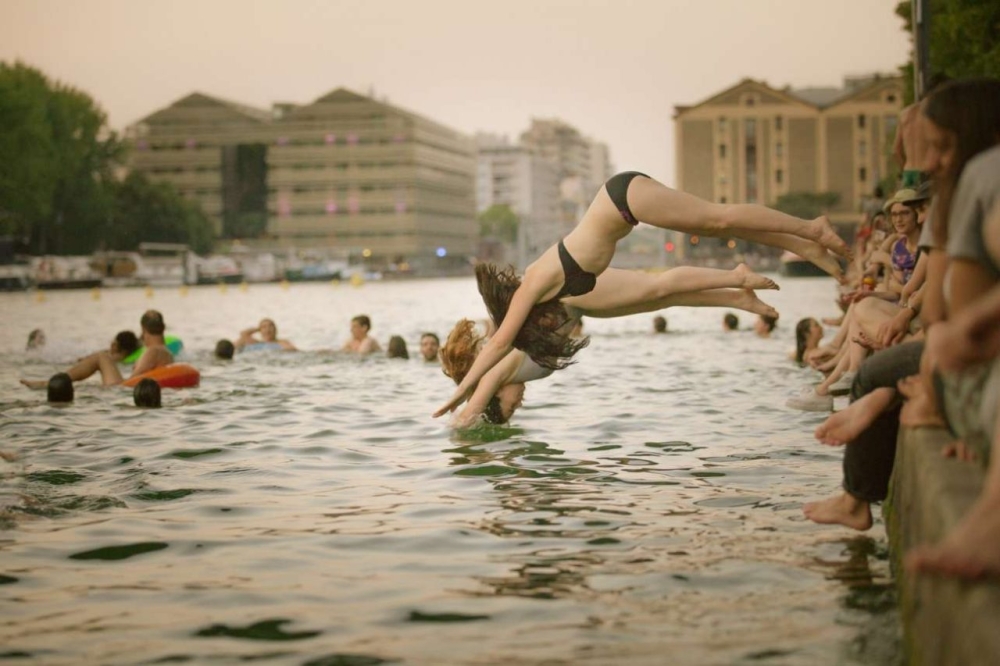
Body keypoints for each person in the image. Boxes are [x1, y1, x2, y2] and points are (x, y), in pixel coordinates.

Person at [435, 170, 849, 417]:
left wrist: (460, 394)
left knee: (717, 219)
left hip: (624, 197)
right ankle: (798, 245)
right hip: (625, 207)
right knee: (708, 235)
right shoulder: (546, 293)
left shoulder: (533, 286)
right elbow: (502, 339)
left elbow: (500, 341)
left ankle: (811, 228)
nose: (548, 324)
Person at [441, 264, 781, 427]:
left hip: (574, 293)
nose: (519, 403)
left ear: (498, 393)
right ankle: (738, 299)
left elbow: (468, 412)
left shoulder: (498, 372)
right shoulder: (516, 373)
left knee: (656, 287)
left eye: (512, 406)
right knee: (661, 300)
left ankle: (734, 277)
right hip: (581, 304)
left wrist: (459, 429)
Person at [20, 329, 142, 389]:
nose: (111, 344)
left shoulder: (112, 357)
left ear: (117, 346)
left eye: (113, 342)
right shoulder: (131, 355)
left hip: (118, 386)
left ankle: (48, 383)